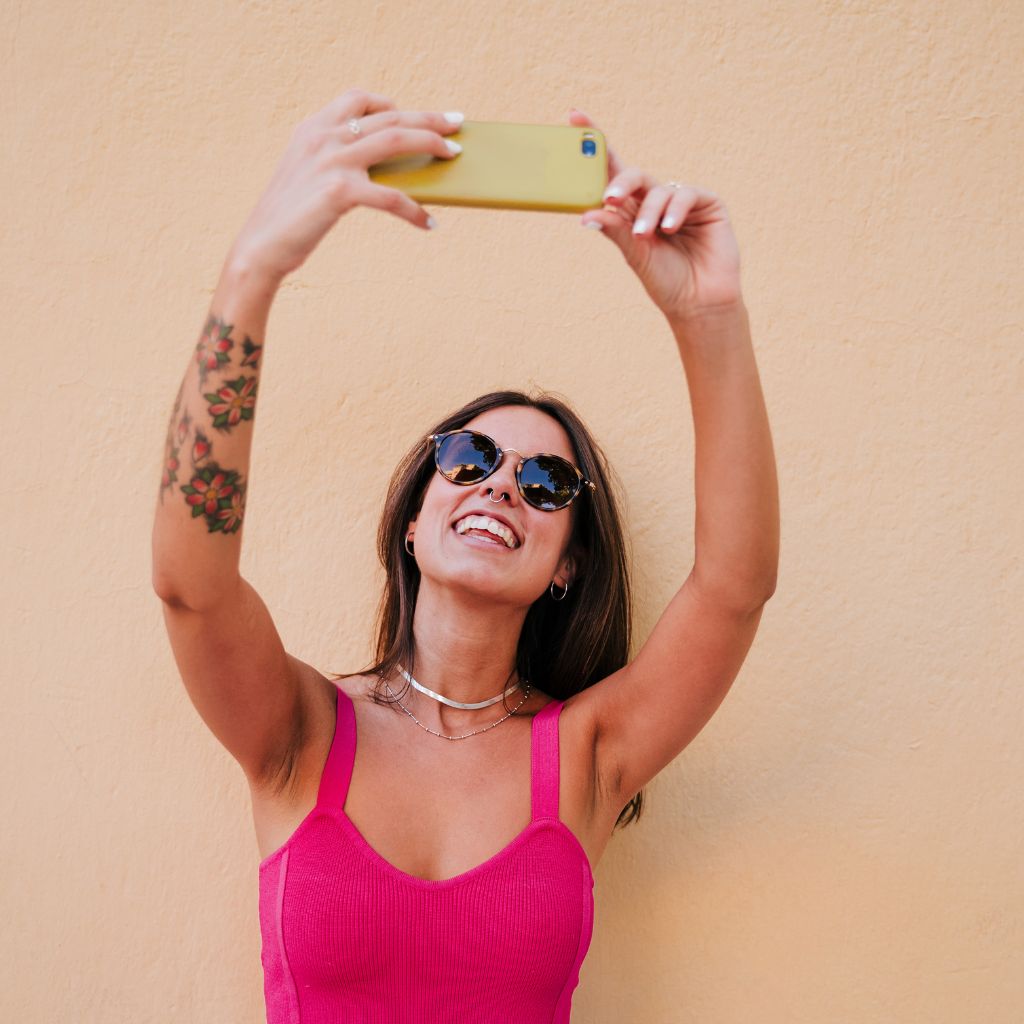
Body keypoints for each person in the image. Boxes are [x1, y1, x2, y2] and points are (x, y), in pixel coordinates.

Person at [151, 88, 779, 1023]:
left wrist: (709, 313)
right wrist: (255, 269)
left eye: (546, 485)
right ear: (415, 515)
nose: (499, 487)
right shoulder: (300, 732)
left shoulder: (586, 756)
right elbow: (192, 589)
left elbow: (735, 588)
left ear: (567, 563)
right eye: (471, 459)